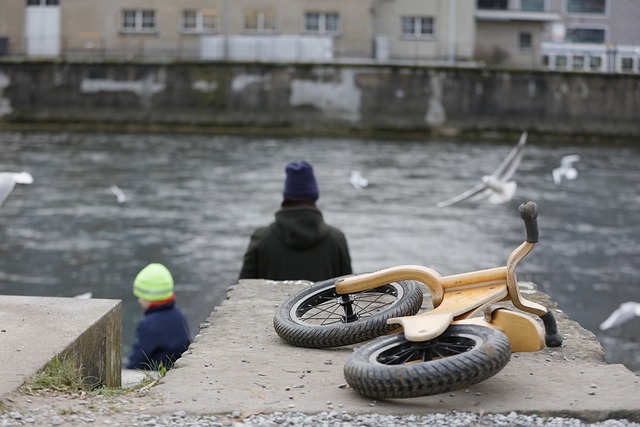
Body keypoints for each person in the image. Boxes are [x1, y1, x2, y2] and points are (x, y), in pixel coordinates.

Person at [239, 160, 353, 282]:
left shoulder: (261, 238)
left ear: (286, 197)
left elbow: (243, 287)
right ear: (314, 197)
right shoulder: (336, 239)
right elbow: (349, 289)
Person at [126, 263, 191, 371]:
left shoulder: (148, 325)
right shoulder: (179, 315)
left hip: (157, 372)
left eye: (141, 296)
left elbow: (137, 361)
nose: (139, 300)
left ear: (149, 297)